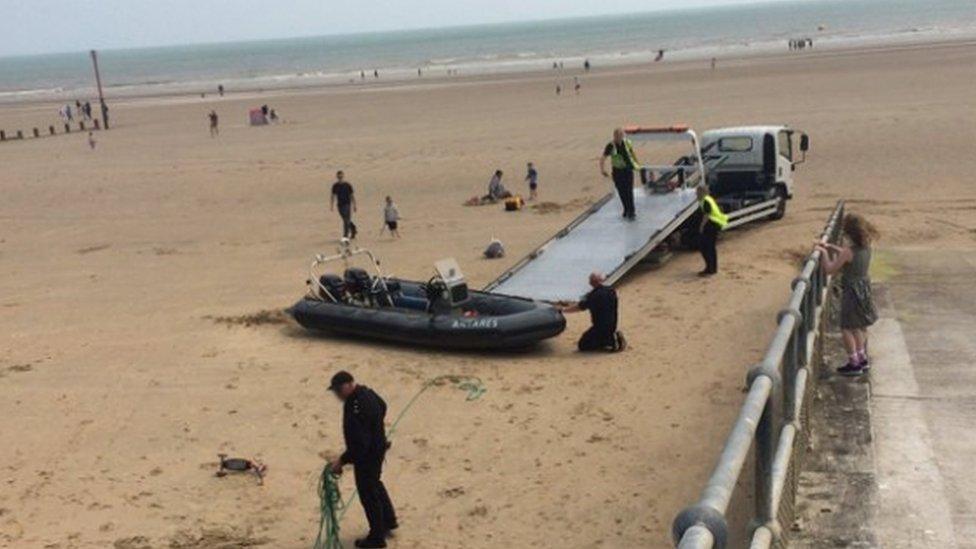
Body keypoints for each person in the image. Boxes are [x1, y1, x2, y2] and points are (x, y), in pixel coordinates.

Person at [327, 371, 398, 548]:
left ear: (348, 385)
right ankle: (389, 520)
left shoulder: (355, 406)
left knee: (368, 493)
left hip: (367, 456)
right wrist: (377, 432)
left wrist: (341, 461)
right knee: (376, 483)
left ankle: (377, 536)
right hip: (378, 448)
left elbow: (359, 444)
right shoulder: (369, 393)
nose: (337, 395)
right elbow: (383, 406)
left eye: (338, 390)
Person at [815, 214, 879, 376]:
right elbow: (847, 255)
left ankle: (853, 362)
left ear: (849, 235)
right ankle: (862, 359)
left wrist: (823, 252)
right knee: (859, 326)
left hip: (851, 291)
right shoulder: (867, 247)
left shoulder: (848, 252)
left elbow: (830, 269)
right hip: (864, 290)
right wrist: (833, 248)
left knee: (846, 328)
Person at [559, 272, 627, 352]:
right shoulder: (611, 291)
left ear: (591, 282)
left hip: (599, 326)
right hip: (613, 323)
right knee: (600, 334)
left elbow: (580, 307)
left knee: (583, 344)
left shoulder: (594, 295)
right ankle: (611, 336)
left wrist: (564, 310)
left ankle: (611, 341)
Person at [600, 127, 640, 220]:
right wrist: (602, 170)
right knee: (621, 191)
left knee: (629, 190)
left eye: (621, 135)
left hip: (627, 170)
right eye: (618, 136)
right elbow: (603, 158)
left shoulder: (627, 143)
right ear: (614, 136)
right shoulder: (610, 146)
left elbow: (632, 153)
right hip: (617, 171)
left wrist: (637, 164)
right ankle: (626, 209)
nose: (620, 138)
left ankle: (632, 211)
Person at [696, 185, 728, 276]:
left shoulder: (706, 200)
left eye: (698, 192)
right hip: (712, 225)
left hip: (711, 225)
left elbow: (707, 215)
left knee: (707, 248)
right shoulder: (707, 199)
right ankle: (710, 268)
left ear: (702, 192)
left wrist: (701, 226)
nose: (696, 194)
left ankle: (710, 269)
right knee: (709, 248)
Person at [331, 170, 358, 239]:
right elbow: (333, 195)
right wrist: (332, 205)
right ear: (337, 176)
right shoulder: (335, 186)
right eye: (338, 175)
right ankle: (353, 228)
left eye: (341, 175)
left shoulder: (347, 185)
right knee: (345, 219)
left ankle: (345, 235)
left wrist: (354, 205)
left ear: (343, 176)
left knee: (346, 220)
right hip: (340, 205)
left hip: (347, 204)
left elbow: (352, 195)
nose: (340, 177)